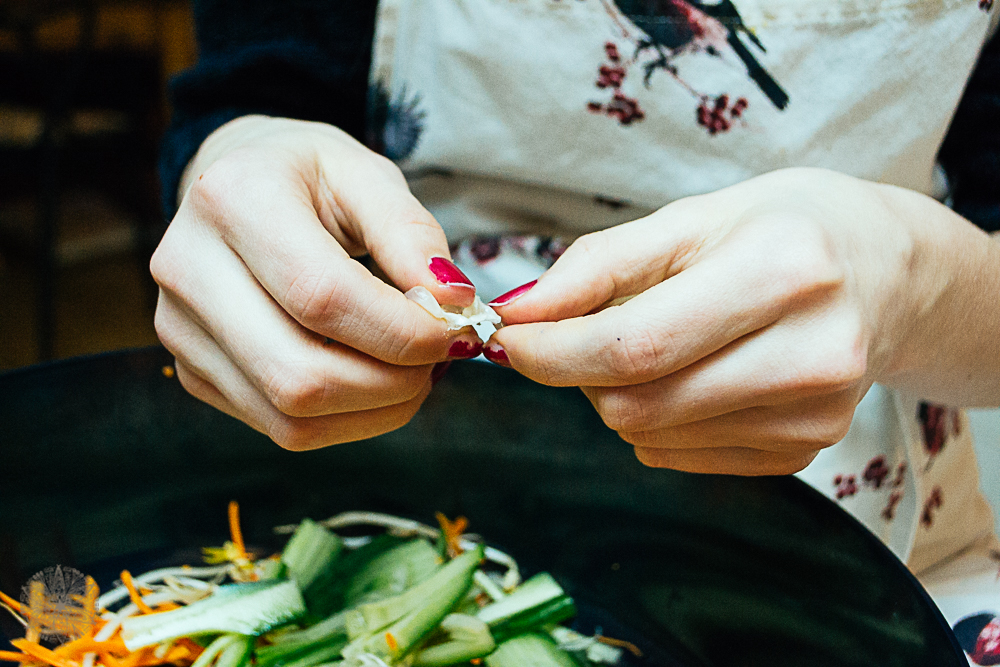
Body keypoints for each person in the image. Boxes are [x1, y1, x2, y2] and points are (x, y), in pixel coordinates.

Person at [152, 1, 1000, 659]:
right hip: (371, 495)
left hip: (875, 561)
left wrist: (909, 278)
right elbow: (252, 95)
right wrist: (243, 162)